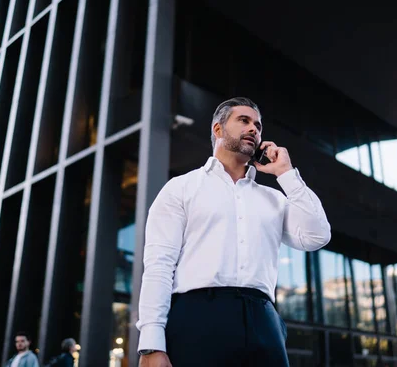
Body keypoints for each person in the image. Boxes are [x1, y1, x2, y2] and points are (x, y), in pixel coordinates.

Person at [136, 97, 331, 366]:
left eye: (258, 125)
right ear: (218, 130)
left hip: (264, 321)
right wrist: (151, 344)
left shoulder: (273, 199)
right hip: (198, 319)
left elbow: (318, 235)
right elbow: (158, 266)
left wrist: (286, 173)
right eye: (244, 121)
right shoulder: (180, 188)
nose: (254, 129)